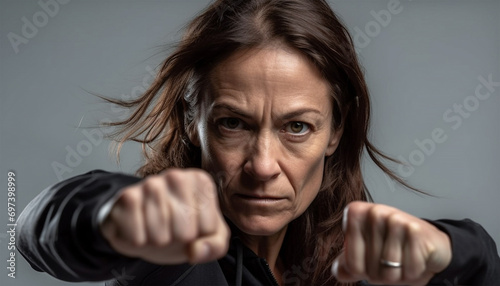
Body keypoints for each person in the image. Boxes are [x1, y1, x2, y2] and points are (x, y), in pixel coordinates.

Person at [17, 0, 500, 285]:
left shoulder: (345, 260)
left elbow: (483, 262)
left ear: (336, 131)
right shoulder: (174, 253)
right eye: (234, 124)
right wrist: (110, 218)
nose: (263, 165)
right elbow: (38, 228)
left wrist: (448, 249)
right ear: (192, 122)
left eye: (297, 127)